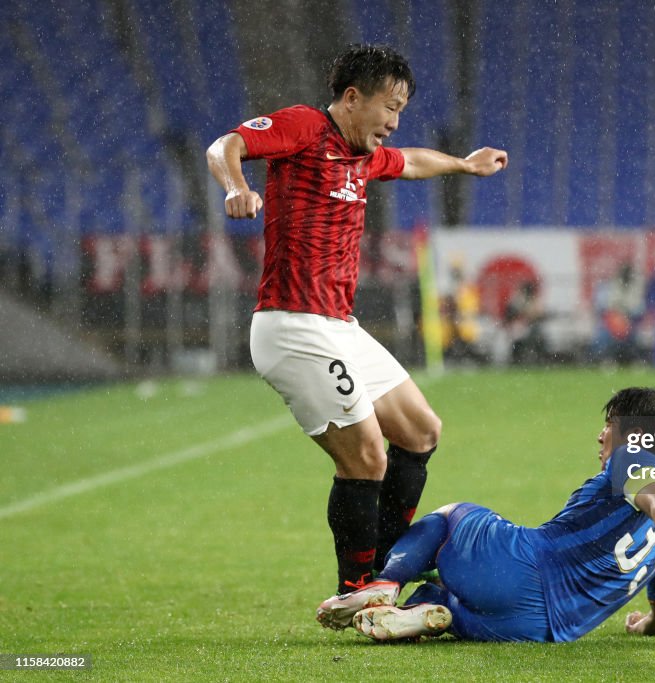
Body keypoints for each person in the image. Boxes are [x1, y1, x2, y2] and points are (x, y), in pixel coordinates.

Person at [205, 44, 508, 626]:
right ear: (351, 98)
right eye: (389, 107)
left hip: (340, 326)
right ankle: (357, 587)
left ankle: (388, 569)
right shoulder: (304, 127)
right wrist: (235, 186)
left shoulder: (363, 155)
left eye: (401, 110)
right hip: (292, 326)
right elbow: (227, 144)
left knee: (420, 430)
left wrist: (465, 165)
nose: (394, 122)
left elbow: (411, 161)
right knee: (367, 455)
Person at [319, 387, 655, 642]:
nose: (601, 435)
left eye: (609, 425)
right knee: (440, 597)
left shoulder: (634, 459)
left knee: (454, 516)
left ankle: (386, 582)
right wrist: (642, 624)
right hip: (540, 629)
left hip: (523, 568)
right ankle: (419, 613)